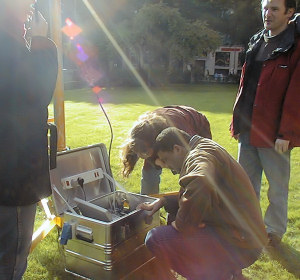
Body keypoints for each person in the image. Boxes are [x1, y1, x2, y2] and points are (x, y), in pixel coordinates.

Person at [138, 127, 267, 280]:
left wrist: (182, 224)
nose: (168, 167)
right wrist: (165, 200)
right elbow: (205, 192)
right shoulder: (203, 146)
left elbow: (201, 179)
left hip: (241, 242)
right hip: (244, 235)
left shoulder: (198, 155)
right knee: (173, 213)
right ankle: (231, 273)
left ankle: (220, 276)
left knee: (156, 239)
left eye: (166, 160)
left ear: (177, 148)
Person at [230, 0, 300, 247]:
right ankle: (248, 226)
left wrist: (287, 133)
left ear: (290, 13)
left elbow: (296, 93)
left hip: (275, 134)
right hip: (248, 128)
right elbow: (245, 87)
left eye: (274, 9)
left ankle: (273, 232)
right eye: (265, 8)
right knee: (246, 184)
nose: (267, 14)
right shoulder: (257, 41)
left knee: (277, 187)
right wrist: (237, 123)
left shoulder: (294, 46)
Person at [0, 1, 58, 279]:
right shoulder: (7, 46)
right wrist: (40, 41)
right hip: (12, 178)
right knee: (11, 257)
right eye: (26, 2)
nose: (32, 5)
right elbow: (35, 92)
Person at [121, 105, 212, 194]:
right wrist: (156, 163)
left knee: (193, 167)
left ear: (155, 143)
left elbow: (186, 162)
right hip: (163, 126)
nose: (142, 157)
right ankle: (148, 204)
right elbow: (150, 163)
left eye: (145, 153)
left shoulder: (179, 133)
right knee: (149, 172)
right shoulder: (142, 135)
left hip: (196, 122)